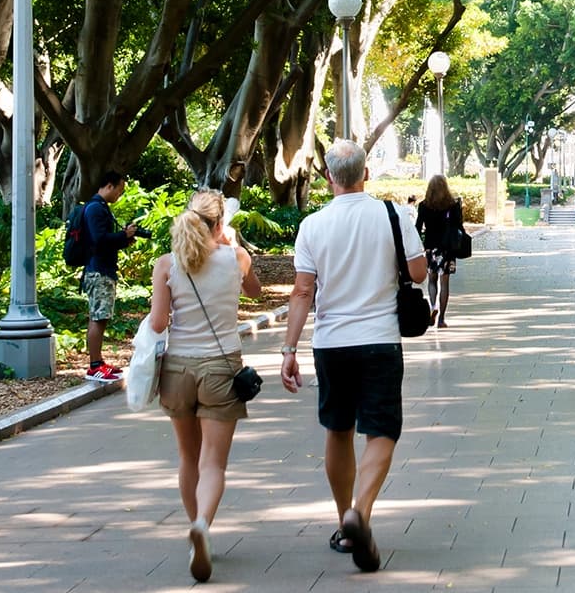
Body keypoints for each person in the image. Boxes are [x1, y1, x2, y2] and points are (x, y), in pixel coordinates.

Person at [280, 140, 427, 573]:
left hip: (330, 343)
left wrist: (289, 350)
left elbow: (303, 290)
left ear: (328, 177)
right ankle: (359, 513)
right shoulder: (393, 214)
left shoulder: (312, 225)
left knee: (337, 428)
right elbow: (418, 272)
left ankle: (344, 520)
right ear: (367, 173)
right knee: (381, 429)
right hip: (380, 339)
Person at [147, 189, 261, 582]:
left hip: (177, 368)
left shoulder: (167, 264)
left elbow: (159, 324)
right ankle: (204, 526)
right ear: (219, 224)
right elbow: (256, 291)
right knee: (213, 461)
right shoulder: (237, 258)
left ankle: (194, 523)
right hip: (221, 366)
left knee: (187, 456)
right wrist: (232, 243)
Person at [79, 170, 141, 380]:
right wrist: (123, 235)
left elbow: (106, 240)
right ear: (109, 186)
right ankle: (95, 365)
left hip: (103, 268)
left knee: (101, 317)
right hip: (98, 270)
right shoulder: (96, 208)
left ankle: (99, 362)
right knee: (98, 317)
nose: (119, 195)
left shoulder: (99, 207)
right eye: (120, 190)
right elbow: (99, 240)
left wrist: (123, 239)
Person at [415, 174, 466, 328]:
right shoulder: (452, 205)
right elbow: (459, 225)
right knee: (445, 283)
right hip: (448, 248)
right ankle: (442, 319)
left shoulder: (424, 205)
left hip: (431, 247)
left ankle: (433, 306)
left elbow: (418, 227)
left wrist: (420, 245)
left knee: (431, 280)